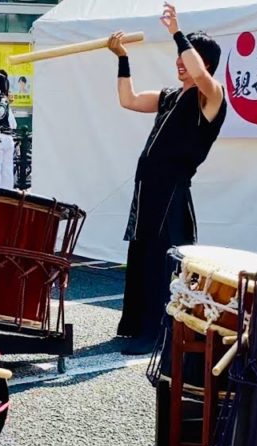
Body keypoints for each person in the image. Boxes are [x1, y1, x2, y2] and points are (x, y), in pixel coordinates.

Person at [109, 3, 226, 355]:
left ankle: (158, 333)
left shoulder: (212, 96)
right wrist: (123, 58)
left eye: (186, 56)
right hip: (147, 190)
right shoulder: (169, 96)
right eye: (178, 55)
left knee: (164, 262)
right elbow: (128, 100)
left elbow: (200, 75)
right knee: (141, 255)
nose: (179, 61)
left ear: (205, 63)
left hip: (173, 192)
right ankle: (136, 327)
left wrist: (176, 32)